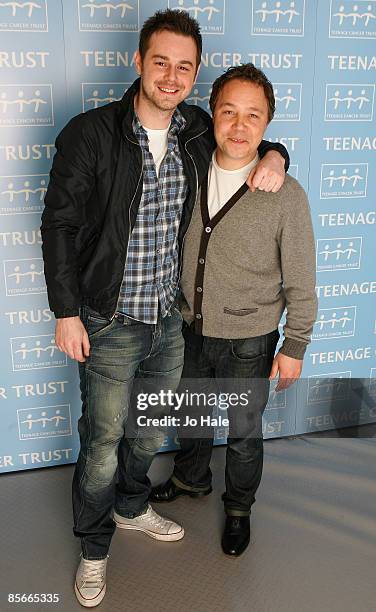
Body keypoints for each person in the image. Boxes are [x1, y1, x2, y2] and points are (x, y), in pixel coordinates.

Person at [41, 9, 289, 607]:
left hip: (170, 323)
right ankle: (95, 547)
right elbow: (59, 225)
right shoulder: (91, 132)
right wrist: (66, 311)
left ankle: (131, 508)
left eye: (184, 67)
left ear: (195, 72)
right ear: (140, 63)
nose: (172, 77)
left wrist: (277, 155)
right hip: (107, 320)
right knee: (102, 441)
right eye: (161, 63)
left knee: (148, 433)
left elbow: (247, 135)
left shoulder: (196, 130)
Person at [150, 63, 318, 557]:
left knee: (243, 432)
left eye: (253, 116)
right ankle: (191, 479)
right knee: (192, 415)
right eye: (228, 112)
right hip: (190, 326)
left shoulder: (284, 194)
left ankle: (239, 507)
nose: (239, 126)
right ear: (211, 115)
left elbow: (302, 279)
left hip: (251, 336)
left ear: (267, 125)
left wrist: (295, 344)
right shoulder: (188, 169)